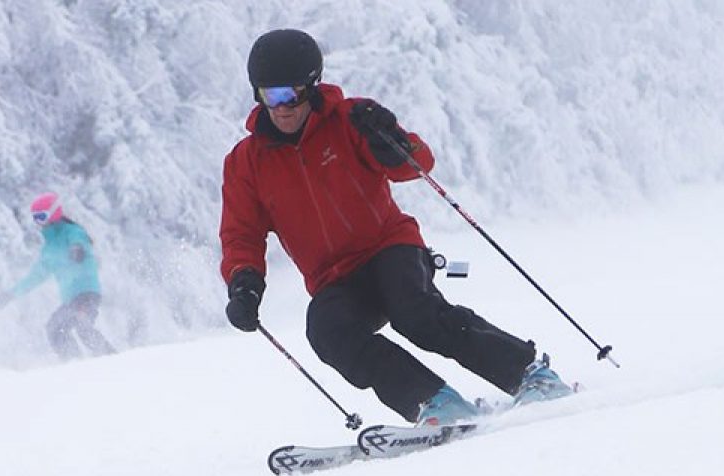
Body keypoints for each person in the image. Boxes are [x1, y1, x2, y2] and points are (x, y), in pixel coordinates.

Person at [218, 29, 573, 426]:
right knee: (327, 332)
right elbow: (241, 234)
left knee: (416, 314)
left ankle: (529, 375)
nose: (281, 107)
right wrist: (243, 281)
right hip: (332, 278)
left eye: (291, 95)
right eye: (270, 96)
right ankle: (434, 403)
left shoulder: (353, 119)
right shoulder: (246, 162)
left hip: (388, 247)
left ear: (312, 87)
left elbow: (417, 164)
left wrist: (392, 142)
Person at [0, 192, 115, 360]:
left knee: (83, 325)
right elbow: (35, 277)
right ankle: (75, 363)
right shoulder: (49, 248)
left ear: (54, 213)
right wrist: (11, 294)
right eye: (36, 218)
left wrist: (77, 249)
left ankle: (113, 359)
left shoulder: (71, 231)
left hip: (86, 292)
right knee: (54, 329)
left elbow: (80, 240)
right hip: (70, 299)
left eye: (42, 216)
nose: (40, 222)